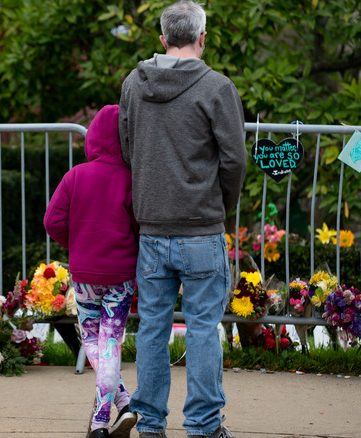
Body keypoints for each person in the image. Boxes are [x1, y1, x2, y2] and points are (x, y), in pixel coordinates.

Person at [118, 1, 247, 437]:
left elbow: (126, 146)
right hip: (201, 230)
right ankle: (205, 426)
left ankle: (150, 423)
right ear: (202, 37)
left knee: (152, 328)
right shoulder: (217, 87)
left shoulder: (134, 85)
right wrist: (220, 206)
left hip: (152, 230)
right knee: (202, 329)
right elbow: (234, 160)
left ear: (162, 39)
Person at [44, 104, 139, 438]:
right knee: (110, 343)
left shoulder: (75, 176)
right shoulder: (131, 178)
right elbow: (140, 227)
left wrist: (78, 243)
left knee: (95, 345)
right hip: (122, 277)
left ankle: (100, 422)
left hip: (85, 277)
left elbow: (52, 221)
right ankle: (125, 404)